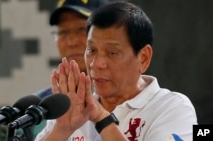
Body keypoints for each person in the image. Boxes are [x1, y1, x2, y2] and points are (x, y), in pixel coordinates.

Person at [35, 1, 198, 141]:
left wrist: (103, 120)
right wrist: (61, 130)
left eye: (112, 53)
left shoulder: (171, 108)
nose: (96, 63)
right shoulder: (72, 106)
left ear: (143, 58)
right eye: (91, 50)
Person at [31, 0, 108, 139]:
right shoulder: (37, 108)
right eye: (63, 32)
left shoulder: (132, 99)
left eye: (82, 30)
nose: (72, 41)